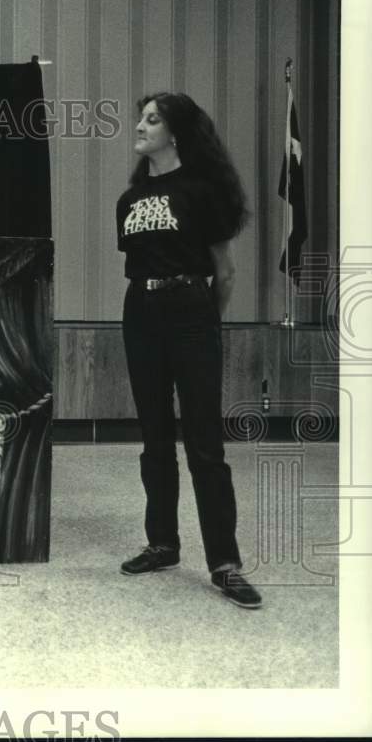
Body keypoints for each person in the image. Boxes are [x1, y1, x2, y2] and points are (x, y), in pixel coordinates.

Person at [115, 92, 262, 609]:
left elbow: (225, 272)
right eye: (141, 117)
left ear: (174, 134)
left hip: (192, 311)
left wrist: (204, 323)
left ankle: (225, 562)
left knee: (204, 445)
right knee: (155, 438)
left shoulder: (202, 191)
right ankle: (163, 543)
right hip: (142, 314)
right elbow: (138, 263)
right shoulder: (129, 201)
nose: (139, 125)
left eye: (151, 119)